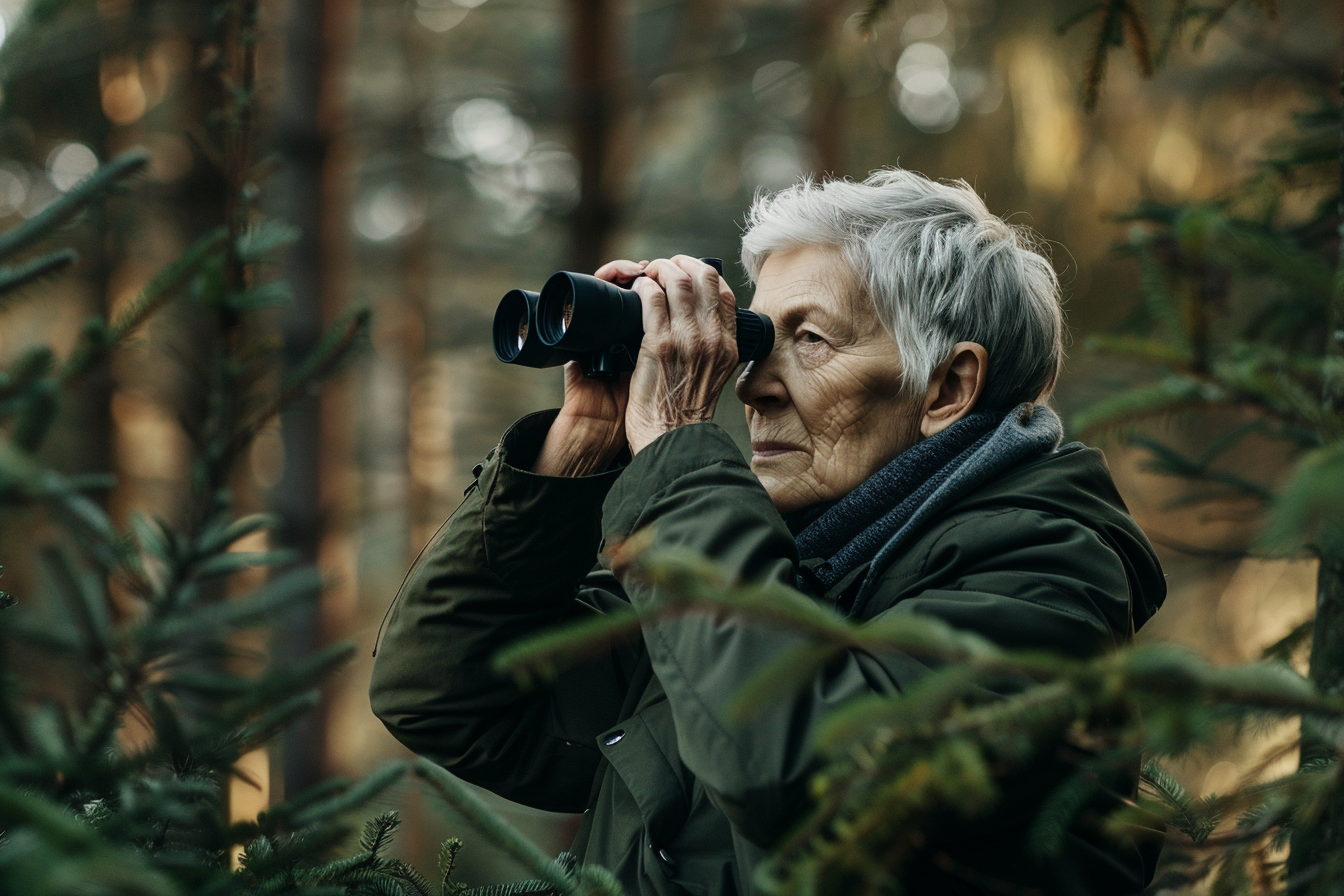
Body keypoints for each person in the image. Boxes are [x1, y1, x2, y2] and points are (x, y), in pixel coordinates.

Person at [369, 169, 1166, 896]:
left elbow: (804, 774)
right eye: (754, 338)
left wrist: (679, 448)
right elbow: (445, 689)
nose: (750, 386)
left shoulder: (1047, 578)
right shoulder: (779, 564)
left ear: (949, 386)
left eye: (810, 340)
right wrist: (582, 445)